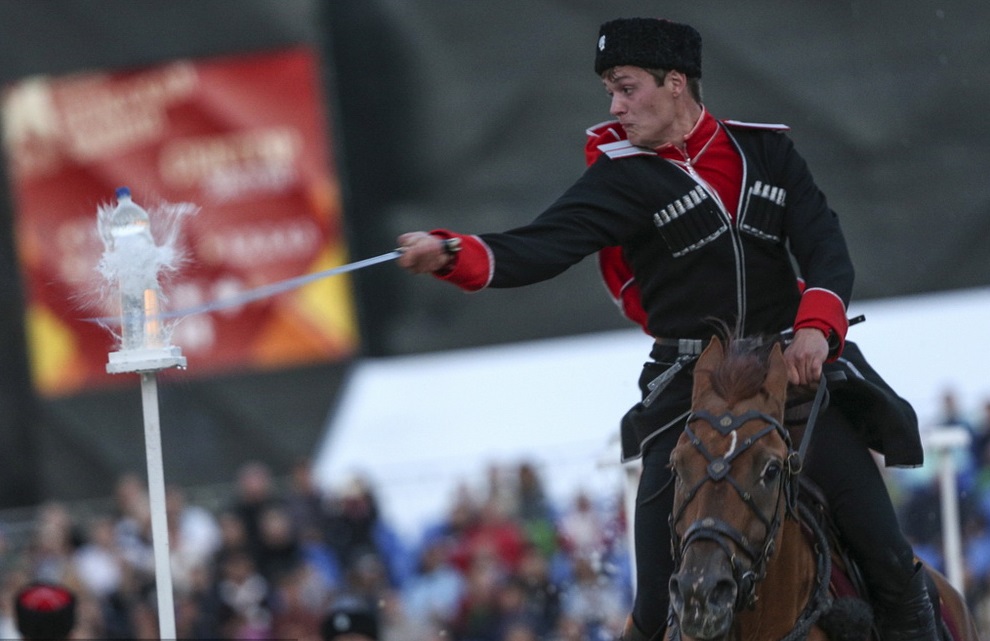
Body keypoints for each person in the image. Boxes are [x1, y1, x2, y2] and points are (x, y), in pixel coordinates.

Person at [396, 16, 935, 641]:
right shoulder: (620, 177)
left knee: (893, 562)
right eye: (610, 93)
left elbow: (825, 248)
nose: (616, 106)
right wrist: (449, 252)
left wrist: (817, 327)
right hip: (688, 388)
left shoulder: (768, 152)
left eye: (627, 89)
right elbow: (539, 247)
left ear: (675, 82)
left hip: (792, 376)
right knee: (655, 611)